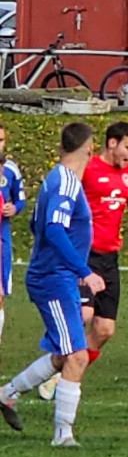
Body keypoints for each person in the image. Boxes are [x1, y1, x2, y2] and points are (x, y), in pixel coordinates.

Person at [37, 121, 128, 400]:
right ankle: (60, 364)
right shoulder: (88, 169)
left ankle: (65, 373)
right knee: (84, 314)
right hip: (85, 256)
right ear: (112, 143)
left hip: (109, 258)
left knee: (105, 329)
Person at [0, 123, 106, 446]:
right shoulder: (66, 183)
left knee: (64, 355)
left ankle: (8, 393)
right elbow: (54, 229)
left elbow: (36, 225)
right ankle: (63, 434)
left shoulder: (55, 178)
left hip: (58, 277)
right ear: (90, 150)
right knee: (78, 356)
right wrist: (82, 269)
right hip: (54, 280)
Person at [0, 121, 26, 349]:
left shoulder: (10, 170)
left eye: (0, 140)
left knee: (0, 292)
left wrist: (14, 208)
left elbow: (21, 199)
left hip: (2, 236)